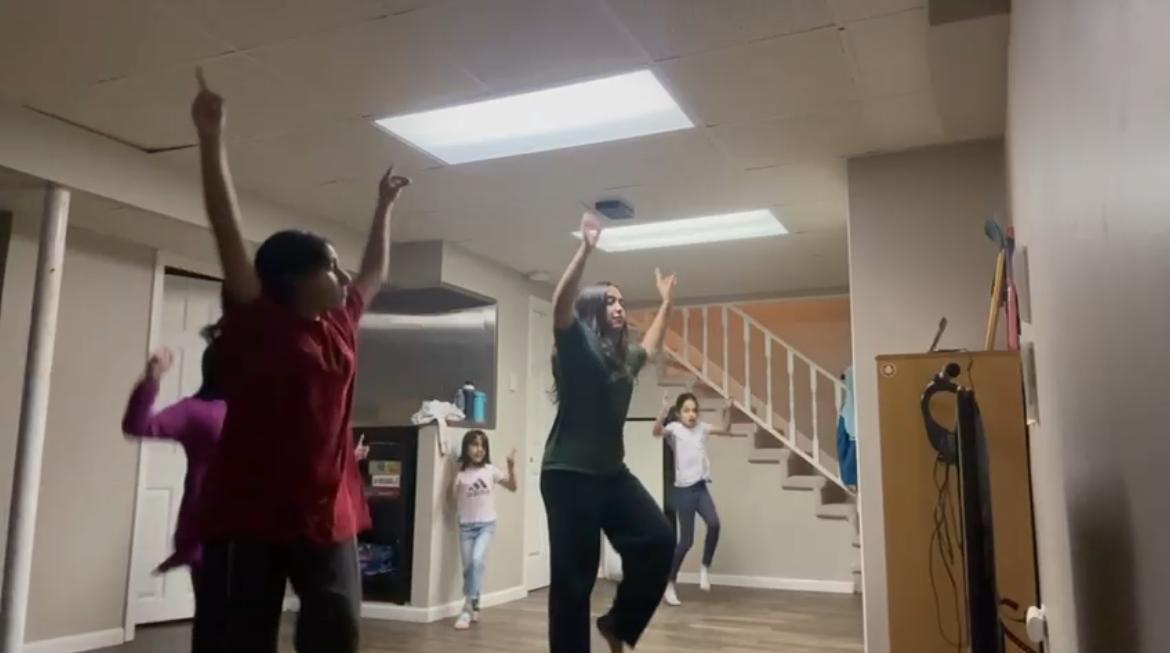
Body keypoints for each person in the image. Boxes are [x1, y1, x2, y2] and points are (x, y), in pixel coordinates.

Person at [188, 68, 410, 653]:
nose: (342, 277)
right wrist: (211, 139)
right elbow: (226, 230)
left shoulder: (339, 322)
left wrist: (383, 206)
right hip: (254, 511)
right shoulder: (260, 320)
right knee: (242, 639)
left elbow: (374, 272)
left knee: (338, 633)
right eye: (329, 267)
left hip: (328, 512)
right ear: (294, 278)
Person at [541, 212, 677, 653]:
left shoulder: (623, 361)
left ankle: (618, 625)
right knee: (573, 584)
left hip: (611, 474)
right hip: (568, 476)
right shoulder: (577, 346)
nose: (620, 307)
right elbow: (560, 306)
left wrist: (666, 303)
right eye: (610, 301)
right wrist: (585, 249)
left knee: (658, 538)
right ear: (592, 311)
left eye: (621, 301)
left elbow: (650, 345)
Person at [121, 329, 226, 589]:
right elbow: (137, 425)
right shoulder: (197, 412)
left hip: (248, 533)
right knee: (217, 609)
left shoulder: (200, 411)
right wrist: (152, 378)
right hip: (210, 535)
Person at [653, 392, 741, 606]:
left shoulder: (702, 428)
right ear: (679, 413)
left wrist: (727, 410)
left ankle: (704, 568)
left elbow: (725, 429)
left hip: (700, 488)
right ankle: (669, 583)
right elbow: (656, 432)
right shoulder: (674, 429)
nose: (691, 414)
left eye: (694, 410)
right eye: (686, 410)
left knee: (714, 524)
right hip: (684, 492)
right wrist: (662, 411)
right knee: (686, 541)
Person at [448, 430, 517, 630]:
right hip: (466, 527)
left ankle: (467, 609)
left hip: (486, 525)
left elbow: (512, 487)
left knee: (477, 560)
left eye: (482, 446)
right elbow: (451, 498)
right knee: (469, 568)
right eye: (475, 445)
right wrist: (454, 477)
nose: (479, 450)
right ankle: (476, 601)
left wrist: (511, 467)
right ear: (466, 448)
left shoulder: (490, 470)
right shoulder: (462, 474)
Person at [837, 366, 858, 490]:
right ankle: (849, 480)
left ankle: (850, 480)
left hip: (851, 416)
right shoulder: (852, 369)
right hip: (848, 414)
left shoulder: (854, 369)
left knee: (849, 448)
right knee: (846, 447)